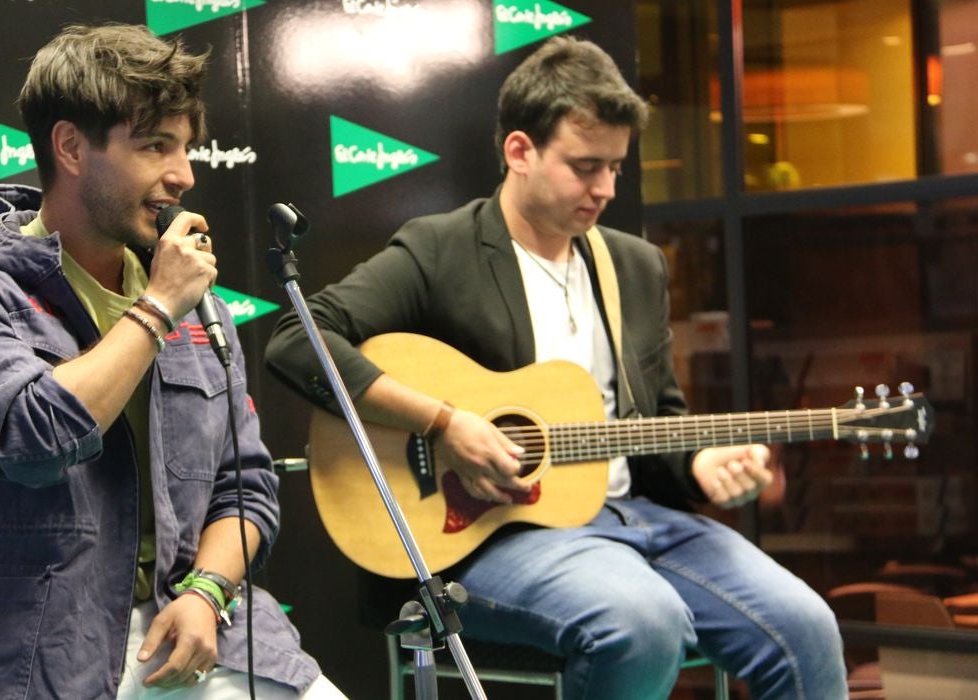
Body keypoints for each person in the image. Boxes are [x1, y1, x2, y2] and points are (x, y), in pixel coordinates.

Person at [265, 36, 847, 699]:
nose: (604, 189)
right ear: (520, 151)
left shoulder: (634, 265)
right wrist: (444, 422)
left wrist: (698, 466)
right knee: (641, 621)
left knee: (808, 625)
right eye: (584, 166)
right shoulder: (442, 249)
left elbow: (656, 419)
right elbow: (295, 339)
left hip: (637, 518)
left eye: (617, 169)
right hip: (489, 537)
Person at [0, 24, 342, 700]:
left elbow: (246, 486)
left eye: (187, 146)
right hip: (37, 658)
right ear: (72, 147)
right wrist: (157, 307)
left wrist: (206, 591)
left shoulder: (197, 303)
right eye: (155, 146)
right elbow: (32, 440)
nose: (185, 174)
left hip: (196, 634)